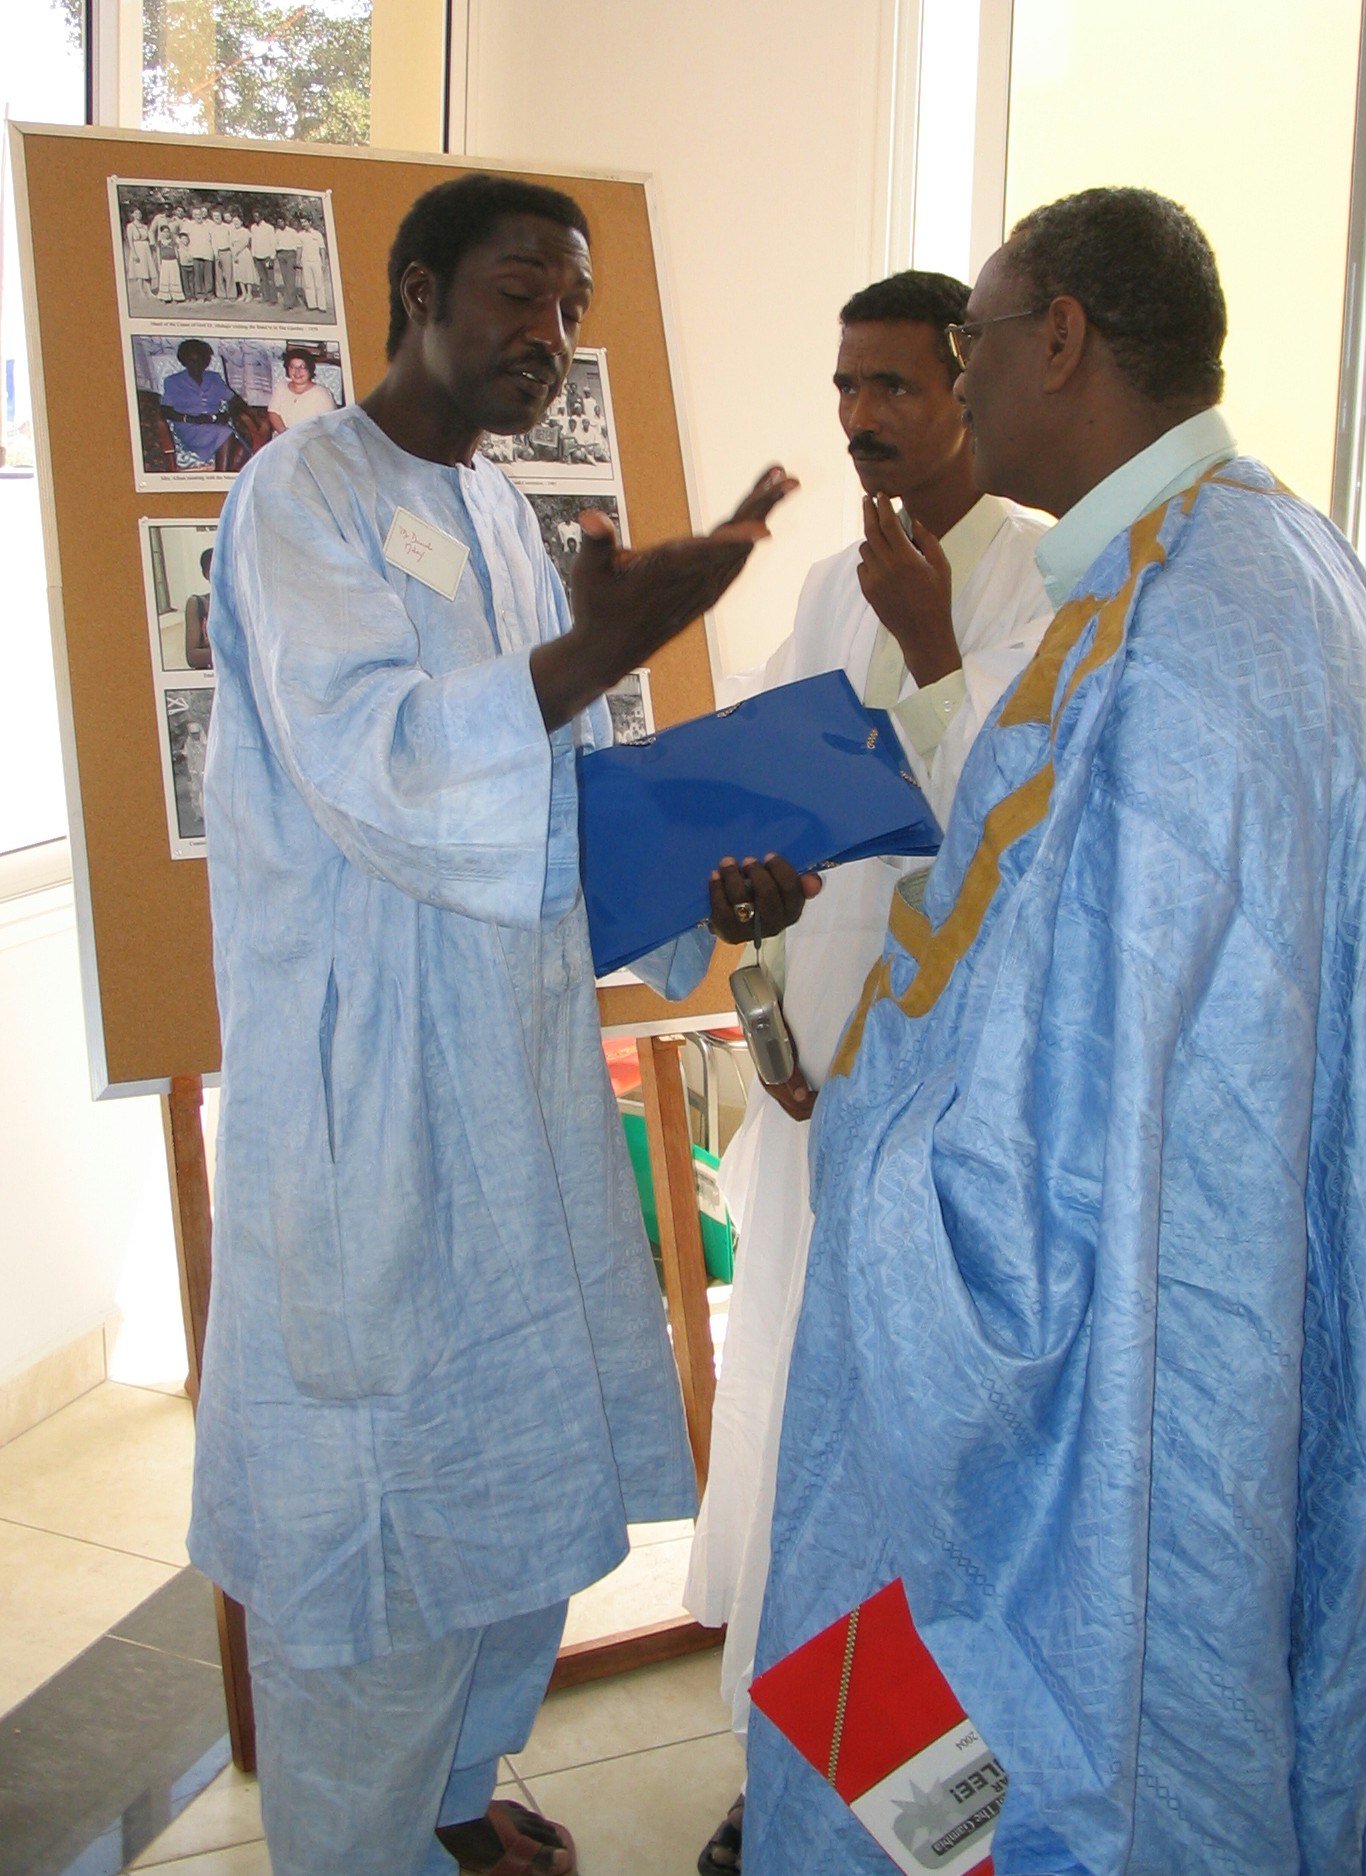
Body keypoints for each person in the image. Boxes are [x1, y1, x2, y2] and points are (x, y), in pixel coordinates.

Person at [192, 170, 810, 1876]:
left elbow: (544, 817)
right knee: (379, 1571)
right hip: (371, 1120)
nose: (547, 335)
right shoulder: (297, 497)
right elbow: (389, 769)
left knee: (511, 1532)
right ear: (414, 288)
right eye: (518, 292)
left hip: (513, 1103)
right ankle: (361, 1844)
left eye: (571, 307)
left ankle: (457, 1811)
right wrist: (589, 654)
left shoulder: (500, 516)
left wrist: (705, 882)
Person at [746, 187, 1366, 1875]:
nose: (960, 380)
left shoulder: (1186, 634)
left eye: (976, 343)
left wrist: (881, 1181)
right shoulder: (1243, 553)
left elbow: (1085, 1078)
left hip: (1102, 1337)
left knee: (1028, 1748)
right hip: (1183, 1273)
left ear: (1062, 341)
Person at [686, 269, 1051, 1876]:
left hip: (957, 1111)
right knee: (790, 1436)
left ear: (969, 387)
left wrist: (930, 641)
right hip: (818, 1085)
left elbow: (1025, 842)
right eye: (844, 388)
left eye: (893, 387)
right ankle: (799, 1773)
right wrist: (754, 925)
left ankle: (927, 1818)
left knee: (911, 1464)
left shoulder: (1041, 583)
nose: (859, 420)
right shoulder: (834, 582)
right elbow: (770, 799)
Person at [158, 338, 247, 470]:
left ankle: (220, 477)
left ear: (206, 361)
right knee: (226, 433)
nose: (196, 365)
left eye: (200, 360)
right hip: (188, 427)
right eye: (191, 361)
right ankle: (221, 476)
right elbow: (165, 410)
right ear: (183, 361)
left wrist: (227, 415)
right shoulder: (173, 381)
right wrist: (190, 418)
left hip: (214, 424)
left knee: (243, 450)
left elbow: (237, 401)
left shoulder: (214, 378)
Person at [265, 347, 338, 433]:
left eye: (302, 367)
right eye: (292, 367)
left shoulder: (322, 393)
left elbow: (329, 426)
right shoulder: (281, 387)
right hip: (282, 439)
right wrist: (284, 432)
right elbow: (273, 412)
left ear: (310, 369)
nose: (297, 372)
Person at [184, 549, 213, 670]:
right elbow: (193, 657)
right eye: (214, 571)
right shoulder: (197, 604)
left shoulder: (245, 604)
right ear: (205, 574)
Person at [297, 215, 328, 312]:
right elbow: (299, 248)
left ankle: (322, 306)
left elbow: (322, 248)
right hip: (305, 261)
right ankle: (312, 305)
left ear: (310, 222)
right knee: (308, 284)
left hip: (316, 261)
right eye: (302, 222)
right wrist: (298, 260)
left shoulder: (317, 234)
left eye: (305, 222)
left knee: (319, 283)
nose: (303, 224)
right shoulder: (300, 235)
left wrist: (323, 262)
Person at [249, 210, 278, 305]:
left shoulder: (269, 228)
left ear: (261, 216)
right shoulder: (253, 227)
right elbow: (253, 242)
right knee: (262, 278)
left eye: (257, 216)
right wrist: (253, 255)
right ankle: (266, 297)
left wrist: (272, 256)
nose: (255, 218)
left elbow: (273, 242)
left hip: (267, 257)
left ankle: (273, 299)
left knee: (270, 278)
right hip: (258, 257)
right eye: (254, 216)